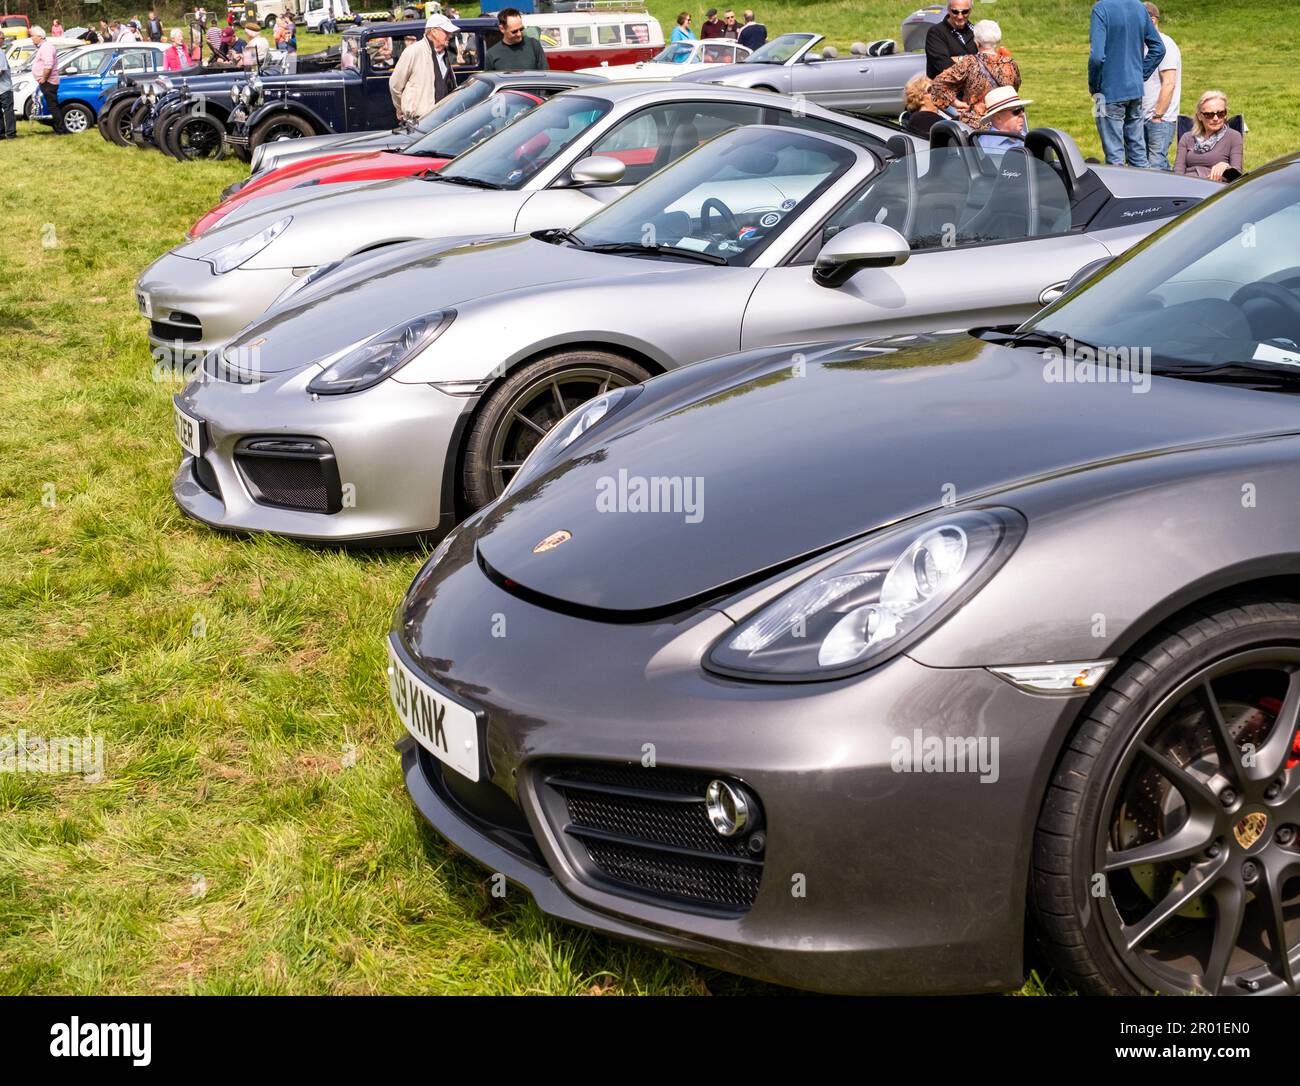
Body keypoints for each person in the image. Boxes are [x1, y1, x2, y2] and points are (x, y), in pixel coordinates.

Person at [1088, 0, 1164, 167]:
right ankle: (1144, 190)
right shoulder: (1139, 7)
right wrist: (1139, 75)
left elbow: (1096, 57)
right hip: (1135, 91)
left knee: (1114, 158)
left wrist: (1094, 86)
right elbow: (1159, 48)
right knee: (1138, 154)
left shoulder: (1101, 9)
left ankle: (1119, 192)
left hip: (1107, 92)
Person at [928, 19, 1019, 127]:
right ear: (997, 40)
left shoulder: (969, 63)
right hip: (1005, 123)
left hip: (976, 125)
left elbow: (938, 84)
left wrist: (956, 103)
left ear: (977, 41)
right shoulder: (1011, 63)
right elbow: (1014, 89)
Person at [390, 13, 460, 123]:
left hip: (444, 119)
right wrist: (402, 108)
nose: (450, 35)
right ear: (434, 32)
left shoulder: (444, 54)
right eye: (446, 32)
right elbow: (395, 85)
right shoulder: (413, 52)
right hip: (419, 121)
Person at [1140, 2, 1180, 171]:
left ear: (1153, 20)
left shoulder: (1164, 43)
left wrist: (1158, 115)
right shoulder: (1141, 45)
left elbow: (1169, 82)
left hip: (1159, 119)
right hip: (1140, 117)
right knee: (1141, 166)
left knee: (1156, 166)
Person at [1175, 90, 1242, 181]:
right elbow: (1178, 173)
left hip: (1215, 187)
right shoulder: (1187, 138)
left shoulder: (1233, 137)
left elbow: (1238, 178)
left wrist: (1226, 167)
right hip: (1188, 184)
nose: (1216, 118)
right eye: (1209, 115)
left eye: (1221, 113)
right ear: (1199, 116)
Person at [485, 7, 547, 71]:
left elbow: (545, 75)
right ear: (502, 29)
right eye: (514, 31)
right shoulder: (491, 54)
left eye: (521, 29)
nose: (519, 34)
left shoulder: (534, 45)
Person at [925, 1, 977, 78]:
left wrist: (959, 59)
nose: (960, 16)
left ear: (970, 10)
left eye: (965, 12)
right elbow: (944, 65)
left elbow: (986, 59)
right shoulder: (935, 33)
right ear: (948, 10)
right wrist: (973, 62)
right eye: (955, 12)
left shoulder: (976, 31)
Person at [29, 26, 65, 135]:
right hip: (46, 81)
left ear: (40, 36)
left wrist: (43, 79)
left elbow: (48, 66)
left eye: (33, 36)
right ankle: (58, 128)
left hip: (48, 81)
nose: (32, 38)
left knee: (53, 106)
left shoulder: (46, 47)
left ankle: (60, 130)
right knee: (51, 105)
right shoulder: (43, 47)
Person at [972, 85, 1031, 149]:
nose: (1022, 114)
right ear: (998, 118)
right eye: (1017, 111)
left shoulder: (1026, 137)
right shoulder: (985, 147)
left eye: (1022, 109)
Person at [0, 46, 16, 140]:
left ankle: (11, 134)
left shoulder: (0, 53)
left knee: (8, 111)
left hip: (5, 88)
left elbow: (1, 70)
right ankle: (1, 134)